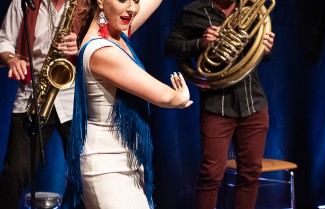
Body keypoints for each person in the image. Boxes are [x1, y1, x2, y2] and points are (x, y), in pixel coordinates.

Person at [62, 0, 193, 208]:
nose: (132, 8)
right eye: (123, 0)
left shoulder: (116, 33)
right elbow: (165, 96)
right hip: (104, 167)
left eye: (136, 0)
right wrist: (180, 97)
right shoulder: (101, 50)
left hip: (126, 160)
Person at [164, 0, 275, 209]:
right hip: (217, 105)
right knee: (210, 175)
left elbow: (260, 53)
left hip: (254, 103)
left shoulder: (252, 9)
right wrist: (200, 43)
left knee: (250, 175)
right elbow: (170, 46)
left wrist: (266, 50)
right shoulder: (193, 12)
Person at [0, 0, 80, 208]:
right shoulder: (22, 2)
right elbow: (5, 41)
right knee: (15, 172)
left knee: (85, 171)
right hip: (33, 94)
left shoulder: (87, 3)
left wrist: (83, 45)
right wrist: (12, 60)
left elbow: (108, 37)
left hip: (74, 97)